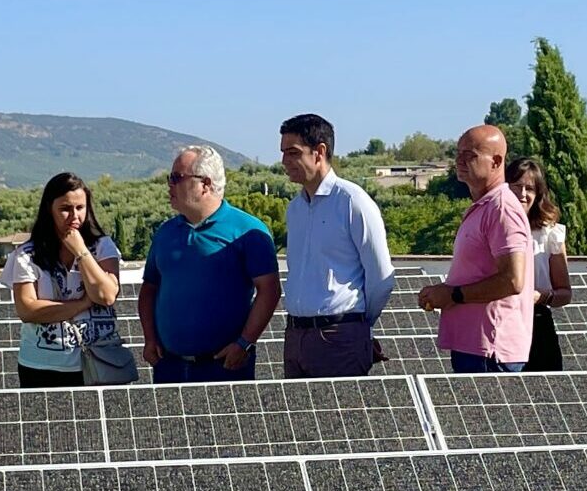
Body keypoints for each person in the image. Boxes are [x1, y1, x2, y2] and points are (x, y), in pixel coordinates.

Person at [141, 145, 280, 382]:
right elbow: (149, 289)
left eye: (176, 178)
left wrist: (244, 343)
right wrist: (150, 338)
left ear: (205, 184)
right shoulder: (166, 232)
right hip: (169, 364)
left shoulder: (248, 231)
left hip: (225, 366)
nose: (169, 185)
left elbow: (270, 290)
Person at [278, 113, 394, 378]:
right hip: (296, 337)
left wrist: (358, 325)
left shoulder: (353, 202)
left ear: (319, 152)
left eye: (293, 152)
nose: (285, 162)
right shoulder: (295, 209)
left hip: (339, 337)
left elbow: (381, 278)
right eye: (283, 152)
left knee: (338, 418)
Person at [418, 126, 533, 372]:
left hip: (489, 351)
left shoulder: (502, 209)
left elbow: (513, 280)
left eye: (470, 155)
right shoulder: (486, 206)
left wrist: (452, 295)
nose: (459, 161)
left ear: (496, 161)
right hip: (475, 347)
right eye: (458, 153)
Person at [4, 172, 123, 387]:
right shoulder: (26, 255)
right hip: (42, 367)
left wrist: (80, 251)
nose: (74, 216)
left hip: (100, 359)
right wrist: (84, 303)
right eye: (65, 209)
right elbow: (27, 310)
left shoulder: (103, 247)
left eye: (80, 208)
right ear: (50, 210)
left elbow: (106, 295)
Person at [507, 156, 573, 372]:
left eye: (530, 189)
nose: (523, 195)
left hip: (538, 325)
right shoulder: (493, 228)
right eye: (517, 187)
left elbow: (565, 293)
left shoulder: (550, 234)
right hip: (502, 323)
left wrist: (542, 296)